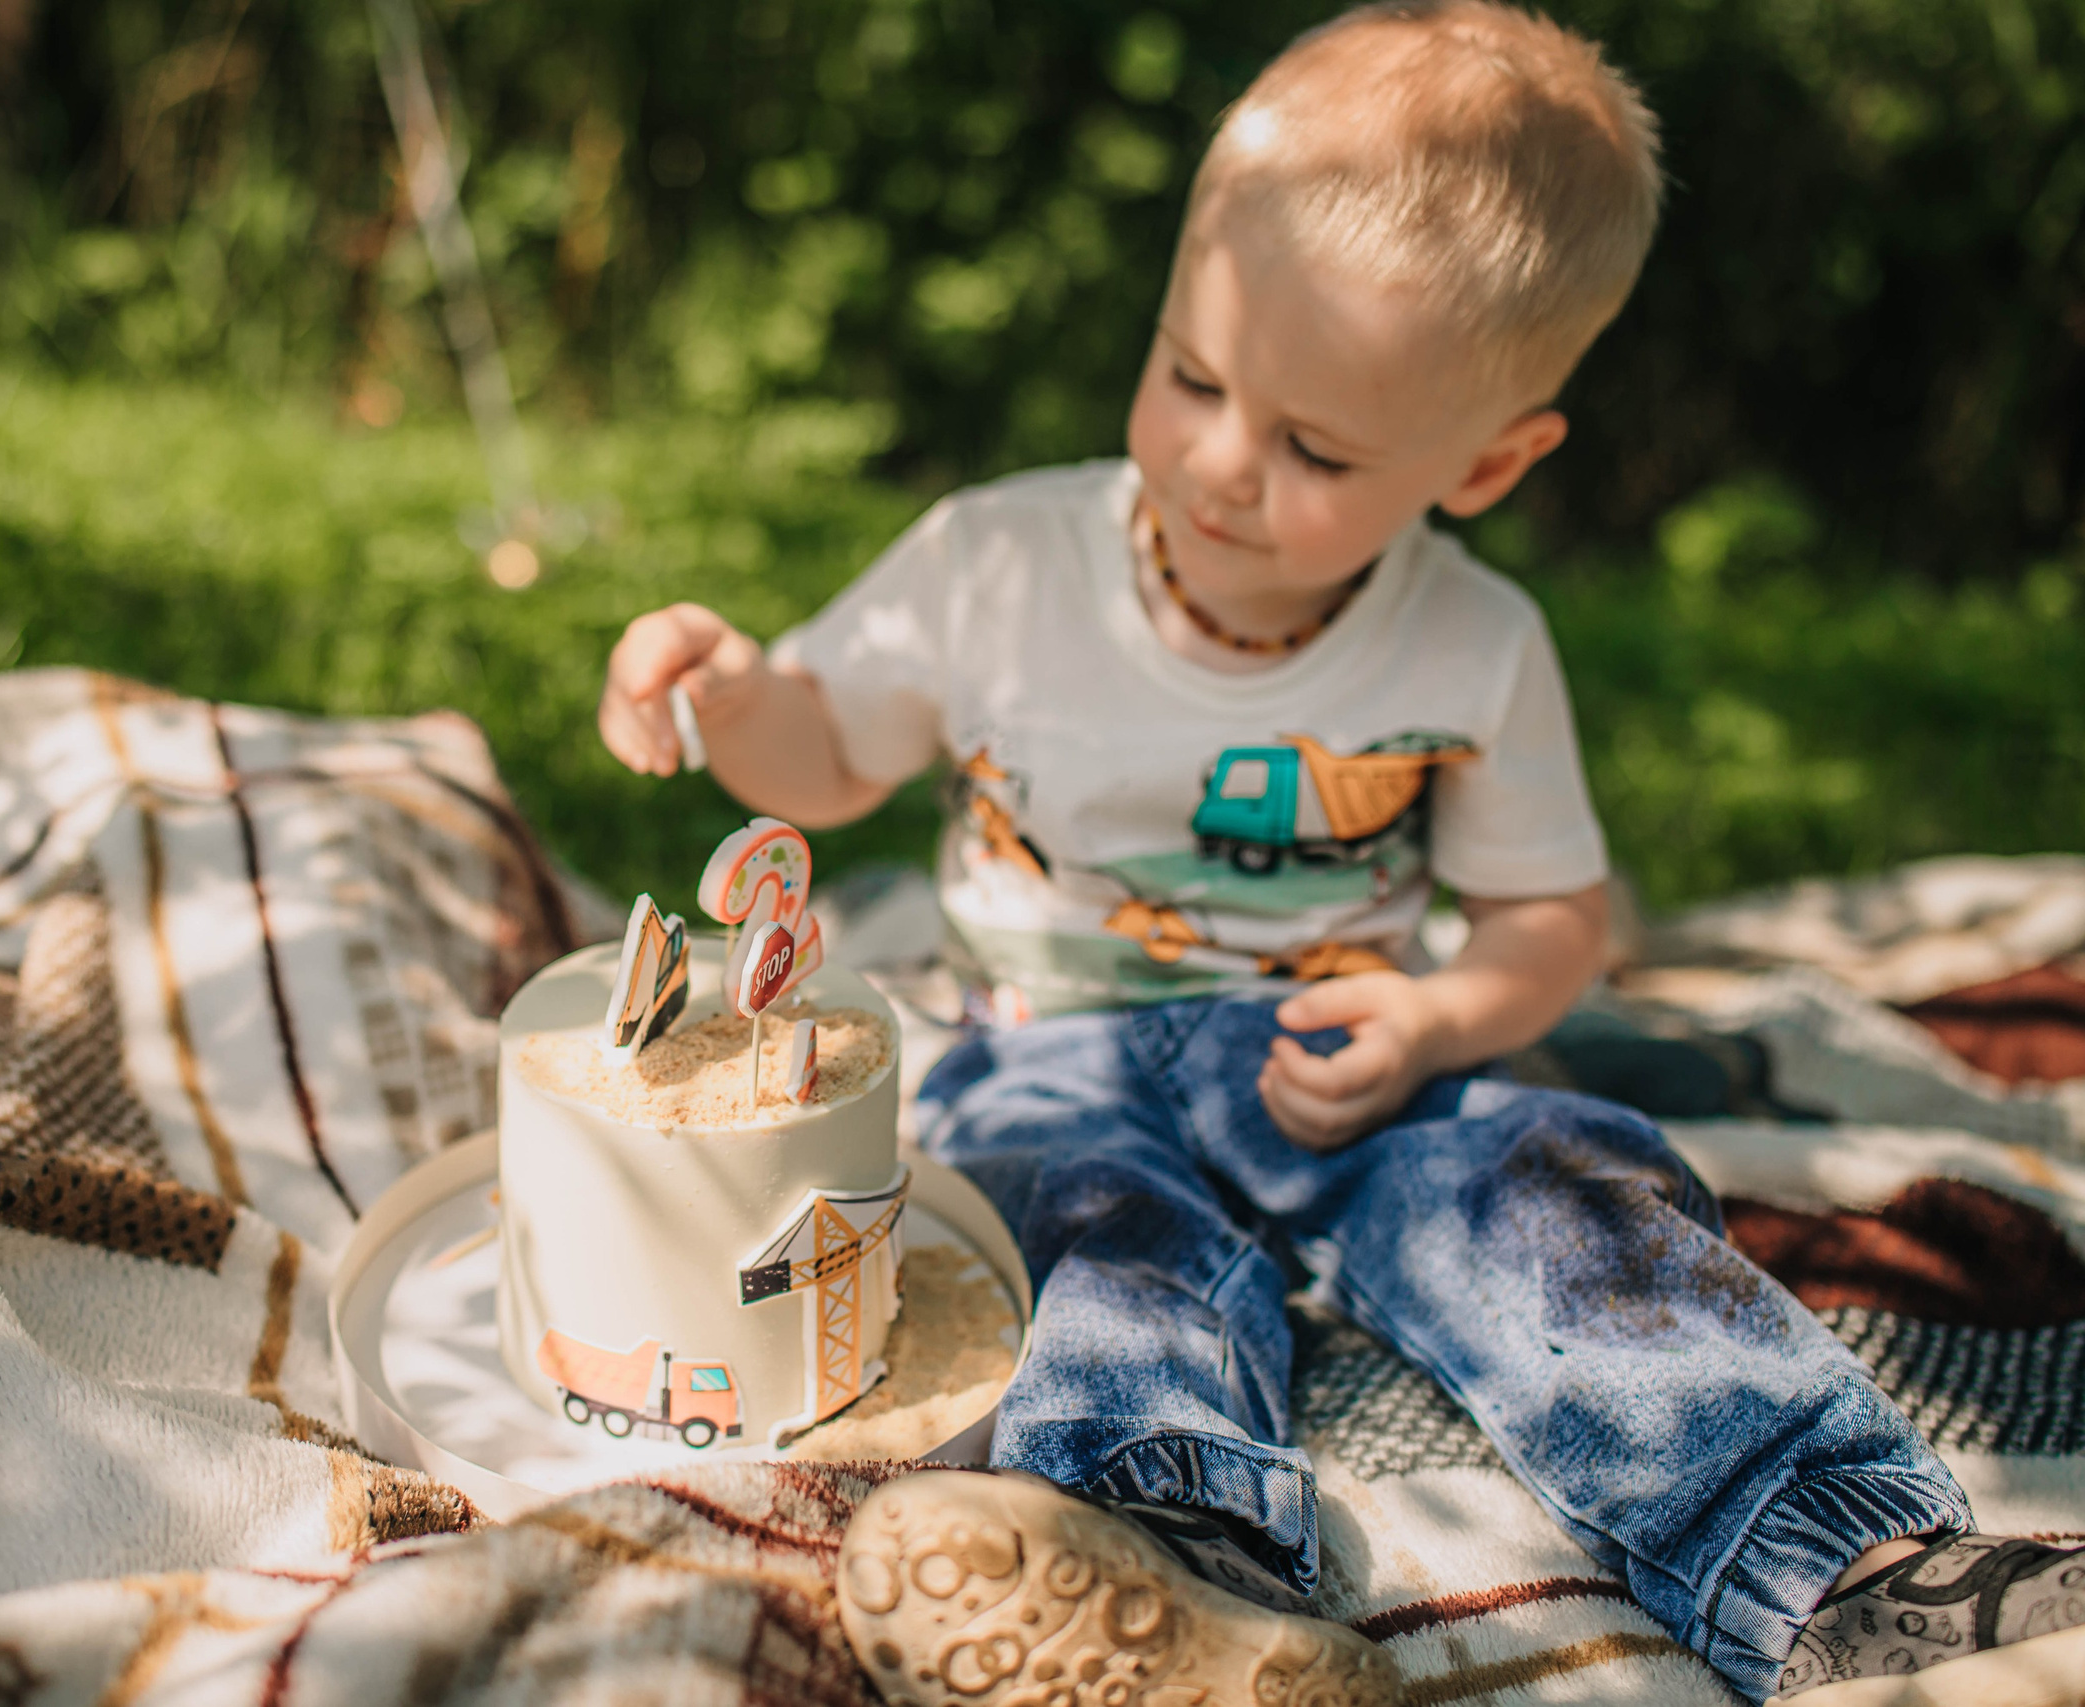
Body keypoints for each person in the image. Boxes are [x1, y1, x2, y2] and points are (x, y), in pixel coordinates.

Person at [597, 5, 2085, 1704]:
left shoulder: (1475, 650)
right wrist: (730, 694)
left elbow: (1552, 920)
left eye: (1315, 449)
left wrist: (1442, 1027)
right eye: (1193, 377)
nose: (1225, 466)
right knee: (1089, 1233)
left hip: (1348, 1044)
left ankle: (1838, 1570)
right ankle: (1154, 1564)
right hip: (1038, 1047)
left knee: (1547, 1186)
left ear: (1490, 464)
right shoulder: (999, 564)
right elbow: (834, 752)